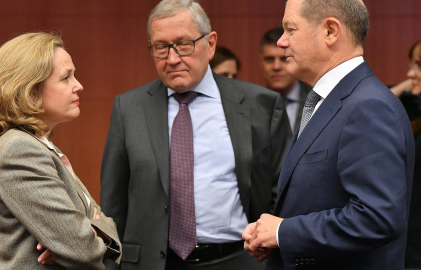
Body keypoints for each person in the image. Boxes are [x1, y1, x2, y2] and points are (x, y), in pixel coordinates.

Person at [99, 0, 291, 269]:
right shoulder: (128, 108)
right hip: (153, 263)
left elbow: (283, 193)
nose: (173, 58)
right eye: (161, 47)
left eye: (184, 44)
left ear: (210, 44)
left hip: (239, 259)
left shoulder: (261, 105)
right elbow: (113, 205)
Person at [242, 0, 415, 269]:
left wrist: (283, 233)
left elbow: (377, 218)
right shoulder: (330, 100)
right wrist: (273, 237)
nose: (281, 42)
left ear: (330, 32)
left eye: (290, 30)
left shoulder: (368, 107)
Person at [0, 32, 121, 269]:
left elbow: (101, 226)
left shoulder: (39, 146)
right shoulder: (19, 151)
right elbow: (83, 249)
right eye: (65, 78)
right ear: (31, 92)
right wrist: (85, 235)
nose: (79, 86)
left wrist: (91, 232)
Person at [391, 37, 421, 269]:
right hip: (409, 246)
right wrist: (415, 78)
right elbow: (383, 102)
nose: (411, 74)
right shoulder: (416, 114)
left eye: (420, 66)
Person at [260, 27, 311, 131]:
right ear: (261, 62)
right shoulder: (255, 104)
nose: (276, 67)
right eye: (269, 59)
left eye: (284, 59)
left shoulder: (316, 101)